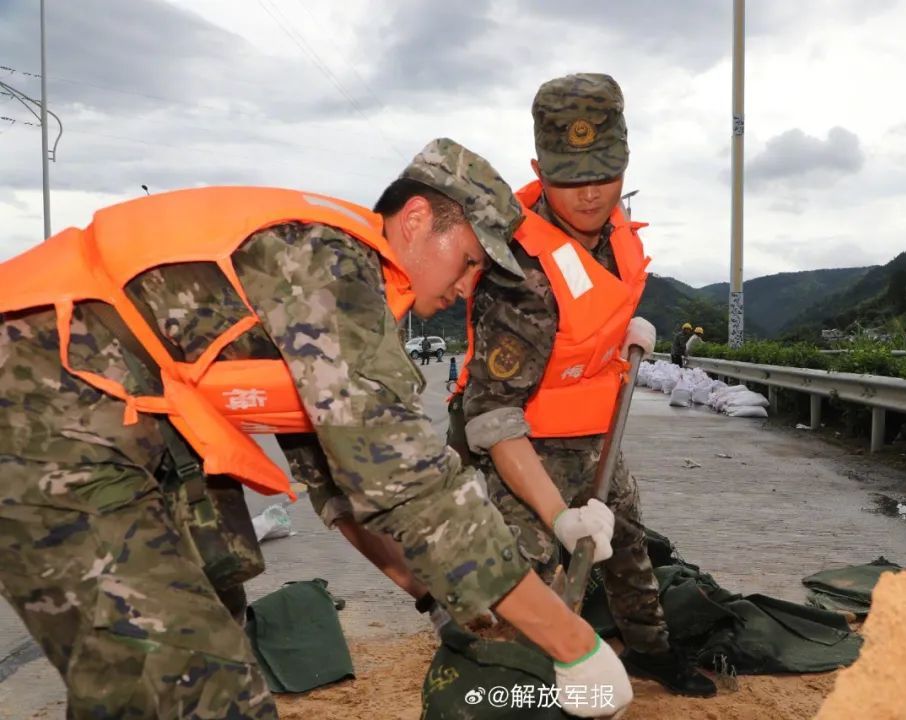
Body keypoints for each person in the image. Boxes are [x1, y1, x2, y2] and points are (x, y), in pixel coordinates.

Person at [0, 139, 631, 719]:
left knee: (210, 602)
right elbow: (410, 487)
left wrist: (434, 596)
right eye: (469, 261)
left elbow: (342, 486)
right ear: (415, 221)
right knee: (194, 684)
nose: (468, 288)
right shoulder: (326, 264)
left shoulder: (340, 285)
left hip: (122, 413)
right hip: (43, 406)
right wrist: (574, 646)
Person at [451, 74, 716, 697]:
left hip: (596, 432)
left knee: (628, 550)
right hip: (526, 451)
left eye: (605, 172)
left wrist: (626, 330)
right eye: (571, 177)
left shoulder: (616, 228)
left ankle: (650, 652)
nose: (591, 193)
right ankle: (527, 688)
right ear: (539, 167)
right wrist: (558, 515)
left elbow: (594, 308)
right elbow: (491, 416)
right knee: (527, 588)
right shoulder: (518, 273)